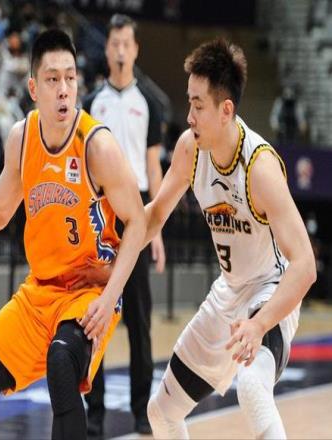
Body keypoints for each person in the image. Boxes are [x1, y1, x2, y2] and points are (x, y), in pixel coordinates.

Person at [0, 29, 146, 440]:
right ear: (33, 88)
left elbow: (137, 222)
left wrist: (109, 297)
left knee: (62, 365)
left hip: (88, 290)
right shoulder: (22, 137)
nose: (64, 89)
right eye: (52, 79)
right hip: (40, 291)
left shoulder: (97, 145)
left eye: (70, 78)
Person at [143, 38, 316, 439]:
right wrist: (112, 252)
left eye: (198, 106)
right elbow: (154, 217)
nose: (189, 116)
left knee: (252, 387)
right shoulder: (190, 149)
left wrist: (260, 325)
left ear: (225, 110)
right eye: (189, 103)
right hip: (229, 292)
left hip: (270, 291)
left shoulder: (260, 167)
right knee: (161, 413)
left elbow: (305, 266)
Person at [82, 14, 165, 437]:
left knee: (140, 321)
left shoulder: (149, 101)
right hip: (100, 216)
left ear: (135, 50)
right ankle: (94, 415)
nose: (119, 50)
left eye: (125, 44)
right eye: (113, 43)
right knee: (93, 316)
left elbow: (153, 167)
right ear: (107, 47)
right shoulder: (91, 101)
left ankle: (140, 412)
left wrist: (157, 229)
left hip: (137, 215)